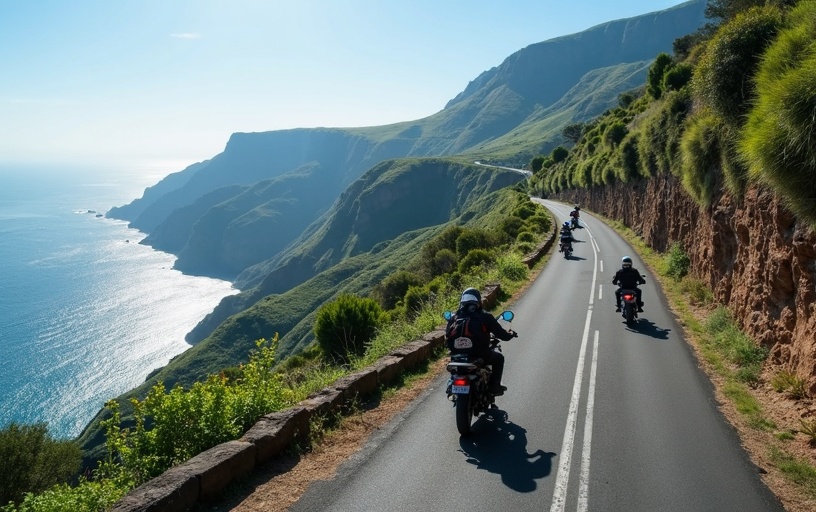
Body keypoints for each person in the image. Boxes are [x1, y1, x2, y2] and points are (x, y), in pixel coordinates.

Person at [446, 287, 517, 395]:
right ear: (478, 301)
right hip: (479, 354)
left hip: (457, 355)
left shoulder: (455, 317)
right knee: (499, 359)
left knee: (455, 369)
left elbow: (447, 335)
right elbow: (502, 335)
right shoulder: (484, 317)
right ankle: (494, 386)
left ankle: (451, 385)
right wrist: (510, 334)